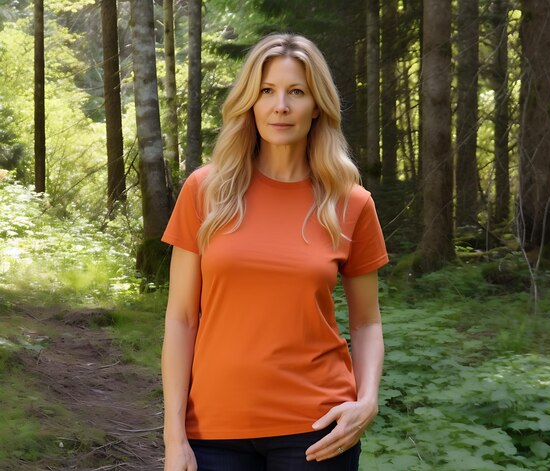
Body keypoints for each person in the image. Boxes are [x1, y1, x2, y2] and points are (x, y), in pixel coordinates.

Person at [161, 33, 388, 471]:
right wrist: (174, 437)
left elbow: (366, 322)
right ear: (250, 101)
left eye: (296, 92)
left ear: (317, 104)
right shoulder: (205, 191)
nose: (280, 106)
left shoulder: (351, 202)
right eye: (267, 91)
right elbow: (181, 318)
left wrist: (368, 401)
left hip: (317, 429)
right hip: (213, 431)